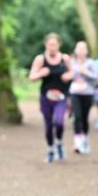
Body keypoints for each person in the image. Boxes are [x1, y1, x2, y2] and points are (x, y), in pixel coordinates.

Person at [27, 33, 72, 163]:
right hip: (46, 97)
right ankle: (50, 148)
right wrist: (41, 73)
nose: (52, 47)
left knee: (59, 122)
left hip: (61, 97)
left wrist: (67, 76)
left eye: (55, 44)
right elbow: (31, 77)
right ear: (46, 45)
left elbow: (73, 72)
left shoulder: (65, 58)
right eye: (50, 44)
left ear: (59, 45)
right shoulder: (40, 59)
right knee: (48, 125)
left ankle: (59, 142)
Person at [68, 40, 98, 154]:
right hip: (74, 93)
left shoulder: (90, 63)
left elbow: (96, 78)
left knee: (84, 118)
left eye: (83, 48)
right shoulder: (71, 62)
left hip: (87, 93)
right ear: (75, 50)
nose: (80, 50)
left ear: (86, 51)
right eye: (78, 48)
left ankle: (85, 141)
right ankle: (77, 144)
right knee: (77, 116)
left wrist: (85, 72)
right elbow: (67, 77)